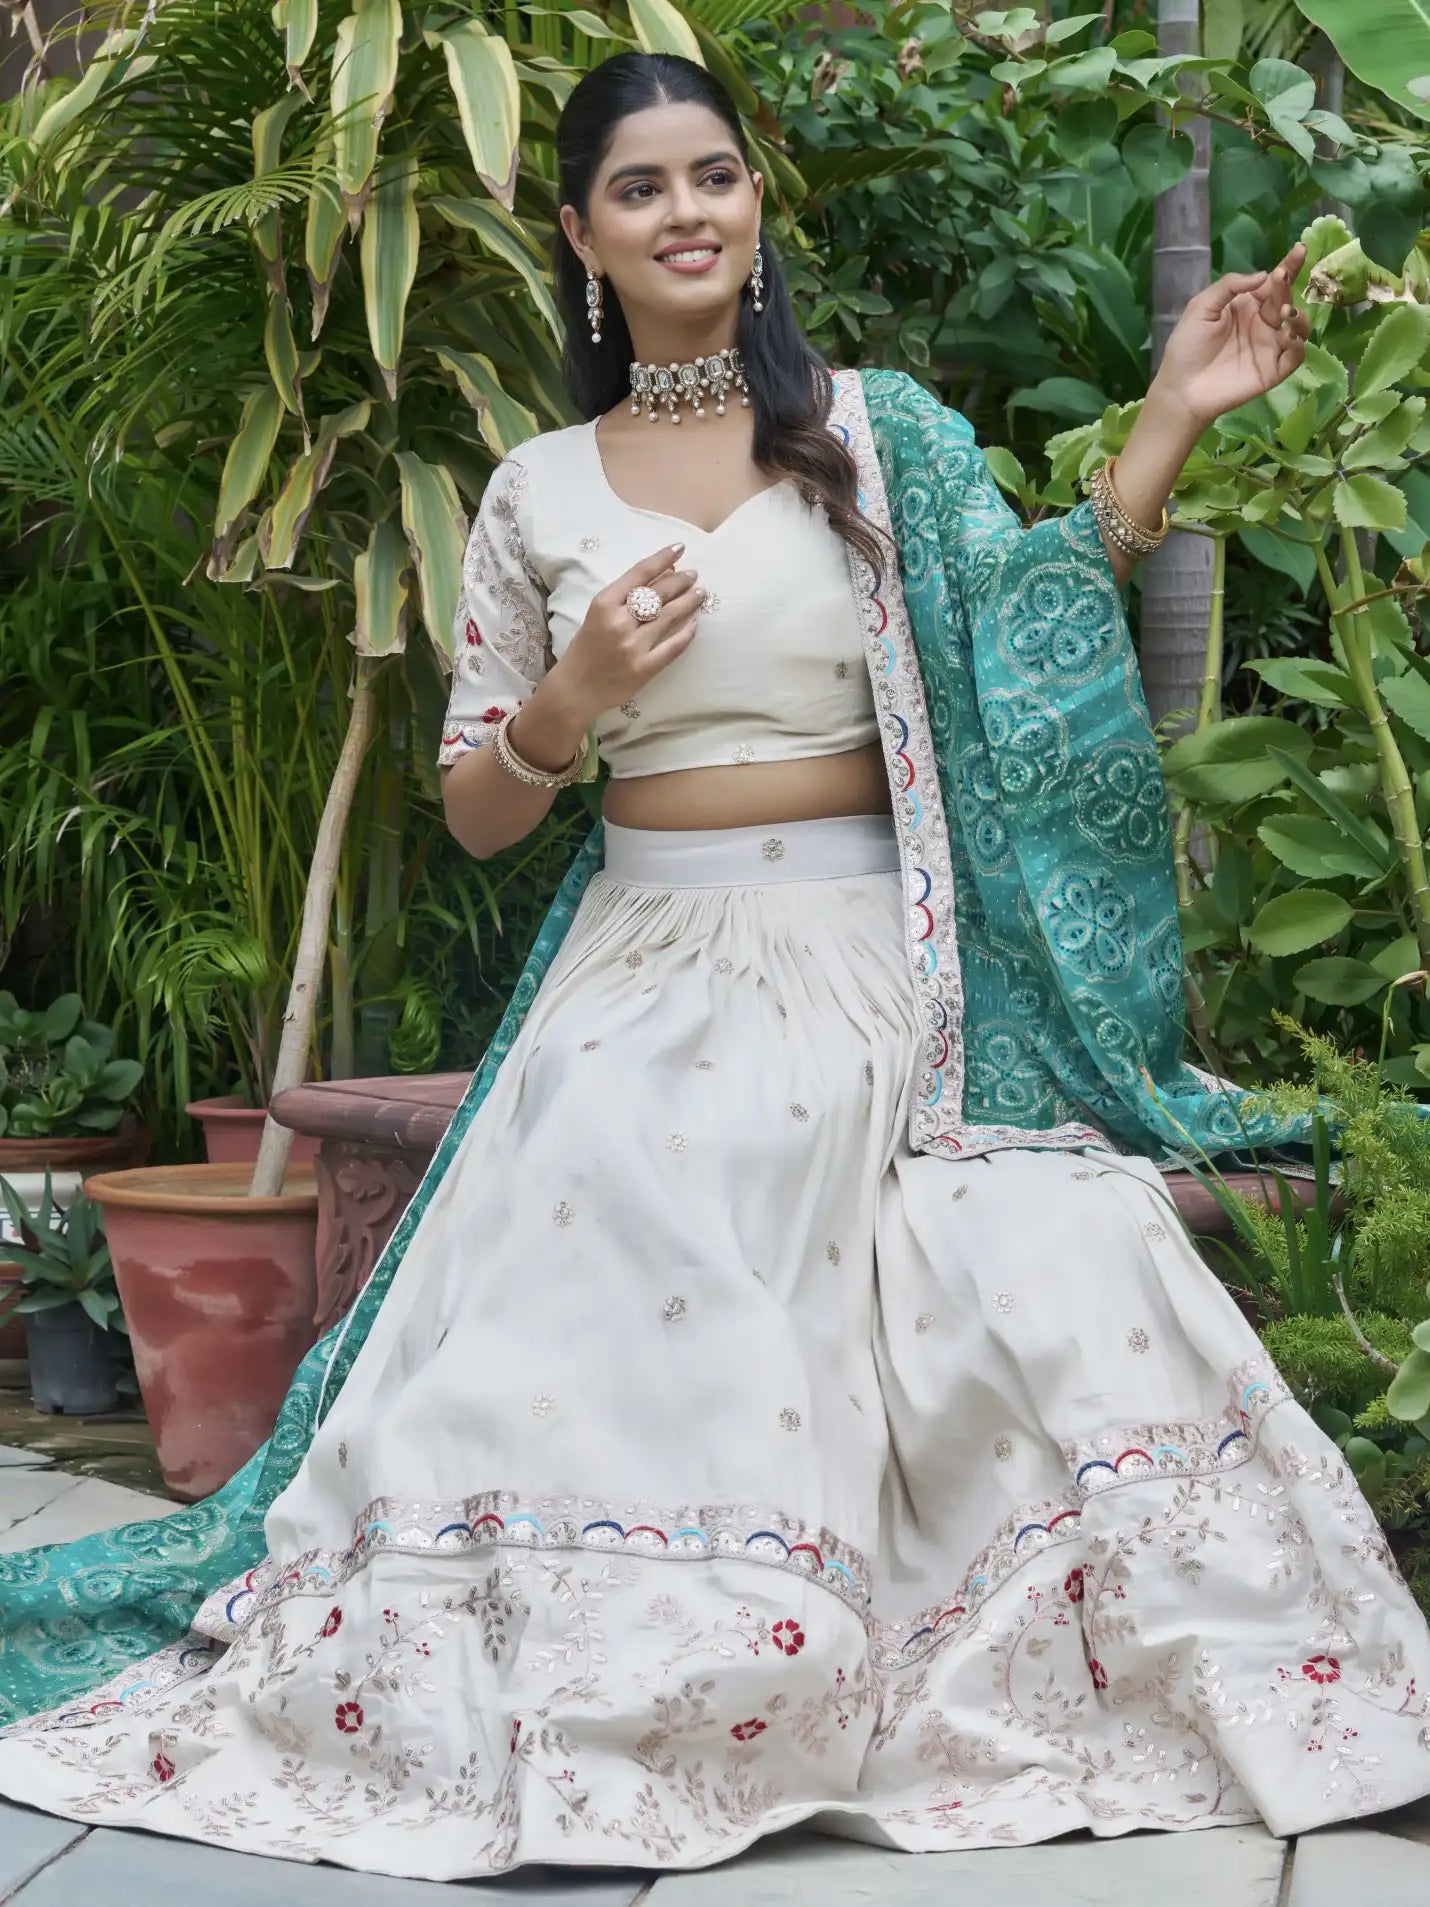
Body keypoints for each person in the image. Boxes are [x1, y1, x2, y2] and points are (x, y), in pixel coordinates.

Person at [1, 49, 1427, 1882]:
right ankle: (626, 1668)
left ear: (753, 208)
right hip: (643, 953)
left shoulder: (870, 430)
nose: (687, 212)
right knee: (624, 1157)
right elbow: (478, 814)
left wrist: (1166, 415)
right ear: (583, 235)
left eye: (714, 177)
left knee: (1037, 1232)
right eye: (641, 187)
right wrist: (576, 698)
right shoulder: (534, 490)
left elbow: (1023, 648)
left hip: (868, 955)